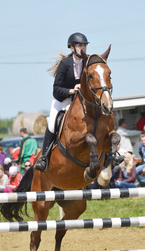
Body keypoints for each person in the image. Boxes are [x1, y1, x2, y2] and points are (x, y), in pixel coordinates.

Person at [34, 32, 89, 171]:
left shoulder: (87, 62)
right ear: (72, 48)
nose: (83, 48)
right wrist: (71, 90)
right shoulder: (65, 64)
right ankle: (44, 158)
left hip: (79, 102)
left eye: (84, 45)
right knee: (52, 124)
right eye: (79, 45)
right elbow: (56, 89)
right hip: (62, 100)